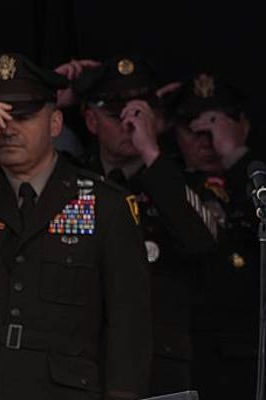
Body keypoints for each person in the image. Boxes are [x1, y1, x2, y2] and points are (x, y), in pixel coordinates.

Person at [0, 53, 151, 399]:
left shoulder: (106, 205)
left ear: (55, 124)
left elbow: (128, 326)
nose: (7, 128)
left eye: (23, 116)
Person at [73, 54, 217, 395]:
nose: (128, 124)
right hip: (82, 362)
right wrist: (51, 100)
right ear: (91, 121)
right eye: (115, 114)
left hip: (159, 366)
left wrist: (152, 152)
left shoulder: (182, 181)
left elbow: (204, 242)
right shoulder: (70, 178)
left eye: (138, 113)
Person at [170, 72, 266, 400]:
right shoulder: (164, 186)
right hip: (180, 365)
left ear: (243, 127)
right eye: (193, 129)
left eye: (217, 125)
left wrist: (234, 155)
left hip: (251, 370)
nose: (205, 139)